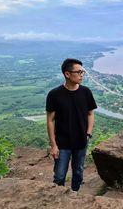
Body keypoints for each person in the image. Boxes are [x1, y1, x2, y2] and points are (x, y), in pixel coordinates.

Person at [46, 58, 97, 191]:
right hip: (62, 143)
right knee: (59, 175)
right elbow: (50, 120)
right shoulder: (54, 94)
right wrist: (53, 145)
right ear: (67, 74)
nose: (81, 75)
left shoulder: (86, 92)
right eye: (78, 72)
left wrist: (88, 133)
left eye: (83, 72)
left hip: (81, 141)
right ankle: (58, 197)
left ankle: (74, 196)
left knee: (78, 173)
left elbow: (90, 114)